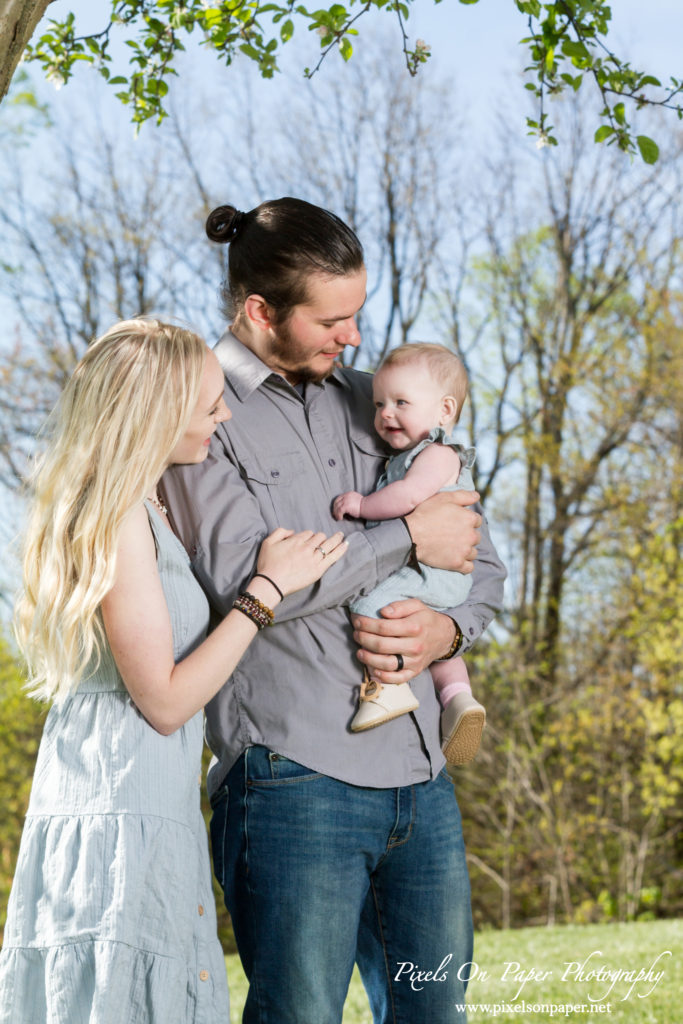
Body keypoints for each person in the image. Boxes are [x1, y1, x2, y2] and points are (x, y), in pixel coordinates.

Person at [162, 198, 507, 1024]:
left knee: (435, 1015)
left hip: (421, 782)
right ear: (259, 311)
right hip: (290, 781)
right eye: (333, 318)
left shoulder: (381, 403)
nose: (352, 336)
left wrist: (447, 628)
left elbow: (479, 557)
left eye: (357, 312)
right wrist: (406, 540)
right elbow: (258, 584)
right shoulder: (197, 419)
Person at [0, 317, 347, 1024]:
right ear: (156, 411)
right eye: (209, 404)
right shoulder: (118, 517)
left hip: (143, 792)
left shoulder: (148, 504)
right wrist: (266, 592)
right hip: (121, 799)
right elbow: (162, 699)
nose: (223, 417)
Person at [333, 342, 487, 765]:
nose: (386, 413)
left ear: (444, 410)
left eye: (402, 402)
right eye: (380, 403)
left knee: (370, 602)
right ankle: (458, 699)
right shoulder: (415, 454)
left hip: (435, 569)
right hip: (441, 573)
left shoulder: (437, 454)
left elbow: (407, 497)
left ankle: (388, 688)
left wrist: (363, 506)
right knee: (434, 639)